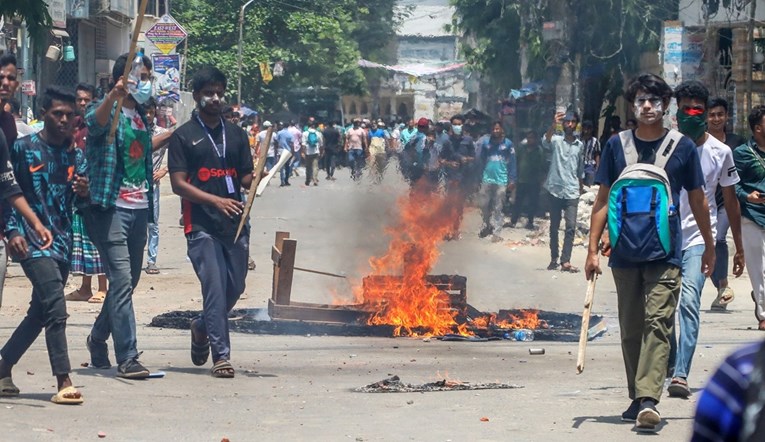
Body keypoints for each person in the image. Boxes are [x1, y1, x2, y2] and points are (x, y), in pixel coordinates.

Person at [585, 73, 713, 433]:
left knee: (658, 322)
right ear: (632, 104)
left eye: (654, 100)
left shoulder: (682, 147)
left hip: (666, 251)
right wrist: (592, 250)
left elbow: (699, 200)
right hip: (623, 253)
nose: (647, 106)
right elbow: (602, 199)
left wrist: (708, 245)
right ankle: (637, 394)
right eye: (641, 100)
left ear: (665, 105)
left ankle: (648, 400)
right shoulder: (616, 146)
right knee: (631, 327)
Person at [0, 86, 87, 405]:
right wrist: (11, 232)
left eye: (69, 115)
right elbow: (6, 192)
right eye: (57, 114)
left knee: (39, 313)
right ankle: (63, 379)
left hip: (62, 241)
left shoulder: (76, 155)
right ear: (44, 115)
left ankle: (3, 366)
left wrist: (84, 190)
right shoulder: (22, 149)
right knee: (55, 305)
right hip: (29, 241)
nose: (64, 120)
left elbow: (83, 201)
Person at [168, 66, 254, 378]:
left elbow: (243, 178)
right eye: (208, 93)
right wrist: (215, 200)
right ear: (197, 97)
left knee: (236, 286)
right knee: (215, 289)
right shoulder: (184, 136)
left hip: (235, 224)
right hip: (201, 224)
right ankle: (222, 356)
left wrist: (255, 178)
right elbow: (178, 184)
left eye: (219, 92)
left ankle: (201, 326)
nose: (215, 98)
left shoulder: (236, 134)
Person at [667, 80, 744, 399]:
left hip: (702, 236)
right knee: (663, 308)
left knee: (688, 302)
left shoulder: (721, 152)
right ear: (677, 112)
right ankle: (671, 359)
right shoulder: (665, 147)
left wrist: (738, 247)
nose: (692, 114)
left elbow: (731, 199)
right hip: (666, 237)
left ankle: (681, 373)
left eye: (697, 108)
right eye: (685, 109)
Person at [83, 52, 155, 379]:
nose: (144, 82)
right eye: (139, 75)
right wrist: (112, 95)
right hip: (111, 207)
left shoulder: (141, 116)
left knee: (129, 281)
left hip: (139, 209)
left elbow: (146, 152)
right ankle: (128, 356)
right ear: (123, 78)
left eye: (147, 76)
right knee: (121, 279)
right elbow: (91, 125)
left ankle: (97, 337)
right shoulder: (108, 111)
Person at [67, 82, 108, 303]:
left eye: (87, 99)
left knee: (97, 239)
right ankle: (85, 287)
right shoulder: (72, 124)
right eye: (79, 99)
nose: (82, 103)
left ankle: (103, 287)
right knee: (81, 239)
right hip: (76, 188)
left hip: (96, 188)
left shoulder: (99, 124)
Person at [707, 97, 748, 310]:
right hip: (704, 202)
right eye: (712, 115)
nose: (716, 119)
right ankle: (721, 285)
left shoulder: (736, 143)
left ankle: (723, 286)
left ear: (726, 116)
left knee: (718, 239)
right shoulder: (698, 142)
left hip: (727, 202)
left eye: (720, 114)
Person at [734, 105, 765, 331]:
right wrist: (747, 196)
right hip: (753, 216)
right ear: (757, 128)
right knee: (759, 268)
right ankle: (763, 313)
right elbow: (731, 186)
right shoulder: (742, 154)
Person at [543, 111, 585, 273]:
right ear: (563, 123)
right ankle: (554, 258)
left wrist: (580, 185)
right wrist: (553, 125)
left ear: (576, 124)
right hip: (555, 189)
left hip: (572, 191)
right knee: (554, 227)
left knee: (571, 226)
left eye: (573, 122)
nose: (570, 124)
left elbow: (579, 167)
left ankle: (565, 261)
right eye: (567, 121)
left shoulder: (579, 146)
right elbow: (545, 141)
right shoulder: (556, 140)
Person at [145, 97, 173, 275]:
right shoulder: (132, 130)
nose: (148, 115)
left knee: (152, 223)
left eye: (150, 111)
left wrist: (165, 170)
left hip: (153, 184)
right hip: (132, 183)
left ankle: (151, 261)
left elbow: (181, 150)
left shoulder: (162, 133)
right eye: (145, 111)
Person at [477, 121, 516, 243]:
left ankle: (497, 231)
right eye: (493, 129)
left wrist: (512, 179)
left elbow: (513, 163)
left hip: (501, 179)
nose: (495, 131)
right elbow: (481, 160)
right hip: (487, 178)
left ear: (502, 130)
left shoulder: (508, 144)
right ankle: (487, 224)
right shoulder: (486, 144)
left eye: (497, 129)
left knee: (498, 206)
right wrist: (478, 176)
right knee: (483, 203)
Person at [511, 128, 545, 229]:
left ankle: (530, 221)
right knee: (518, 201)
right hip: (521, 180)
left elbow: (543, 165)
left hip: (534, 181)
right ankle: (513, 220)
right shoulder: (521, 149)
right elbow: (516, 161)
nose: (530, 140)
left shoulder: (539, 150)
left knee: (533, 202)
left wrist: (542, 179)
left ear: (536, 139)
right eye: (528, 138)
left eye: (532, 138)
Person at [302, 122, 322, 186]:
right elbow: (321, 144)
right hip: (316, 152)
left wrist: (303, 152)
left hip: (308, 152)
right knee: (315, 167)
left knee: (308, 167)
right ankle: (315, 179)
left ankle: (308, 180)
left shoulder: (305, 133)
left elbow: (303, 144)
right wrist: (321, 152)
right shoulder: (318, 133)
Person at [581, 120, 600, 187]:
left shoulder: (595, 141)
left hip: (590, 166)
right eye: (585, 128)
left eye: (588, 129)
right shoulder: (579, 140)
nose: (586, 131)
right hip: (580, 165)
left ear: (591, 130)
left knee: (590, 186)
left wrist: (597, 166)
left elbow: (597, 154)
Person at [275, 122, 293, 187]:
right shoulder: (290, 134)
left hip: (281, 151)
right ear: (288, 126)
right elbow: (292, 143)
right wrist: (292, 153)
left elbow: (276, 141)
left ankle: (282, 181)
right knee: (287, 166)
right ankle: (286, 180)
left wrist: (276, 149)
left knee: (281, 167)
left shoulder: (279, 133)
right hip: (288, 151)